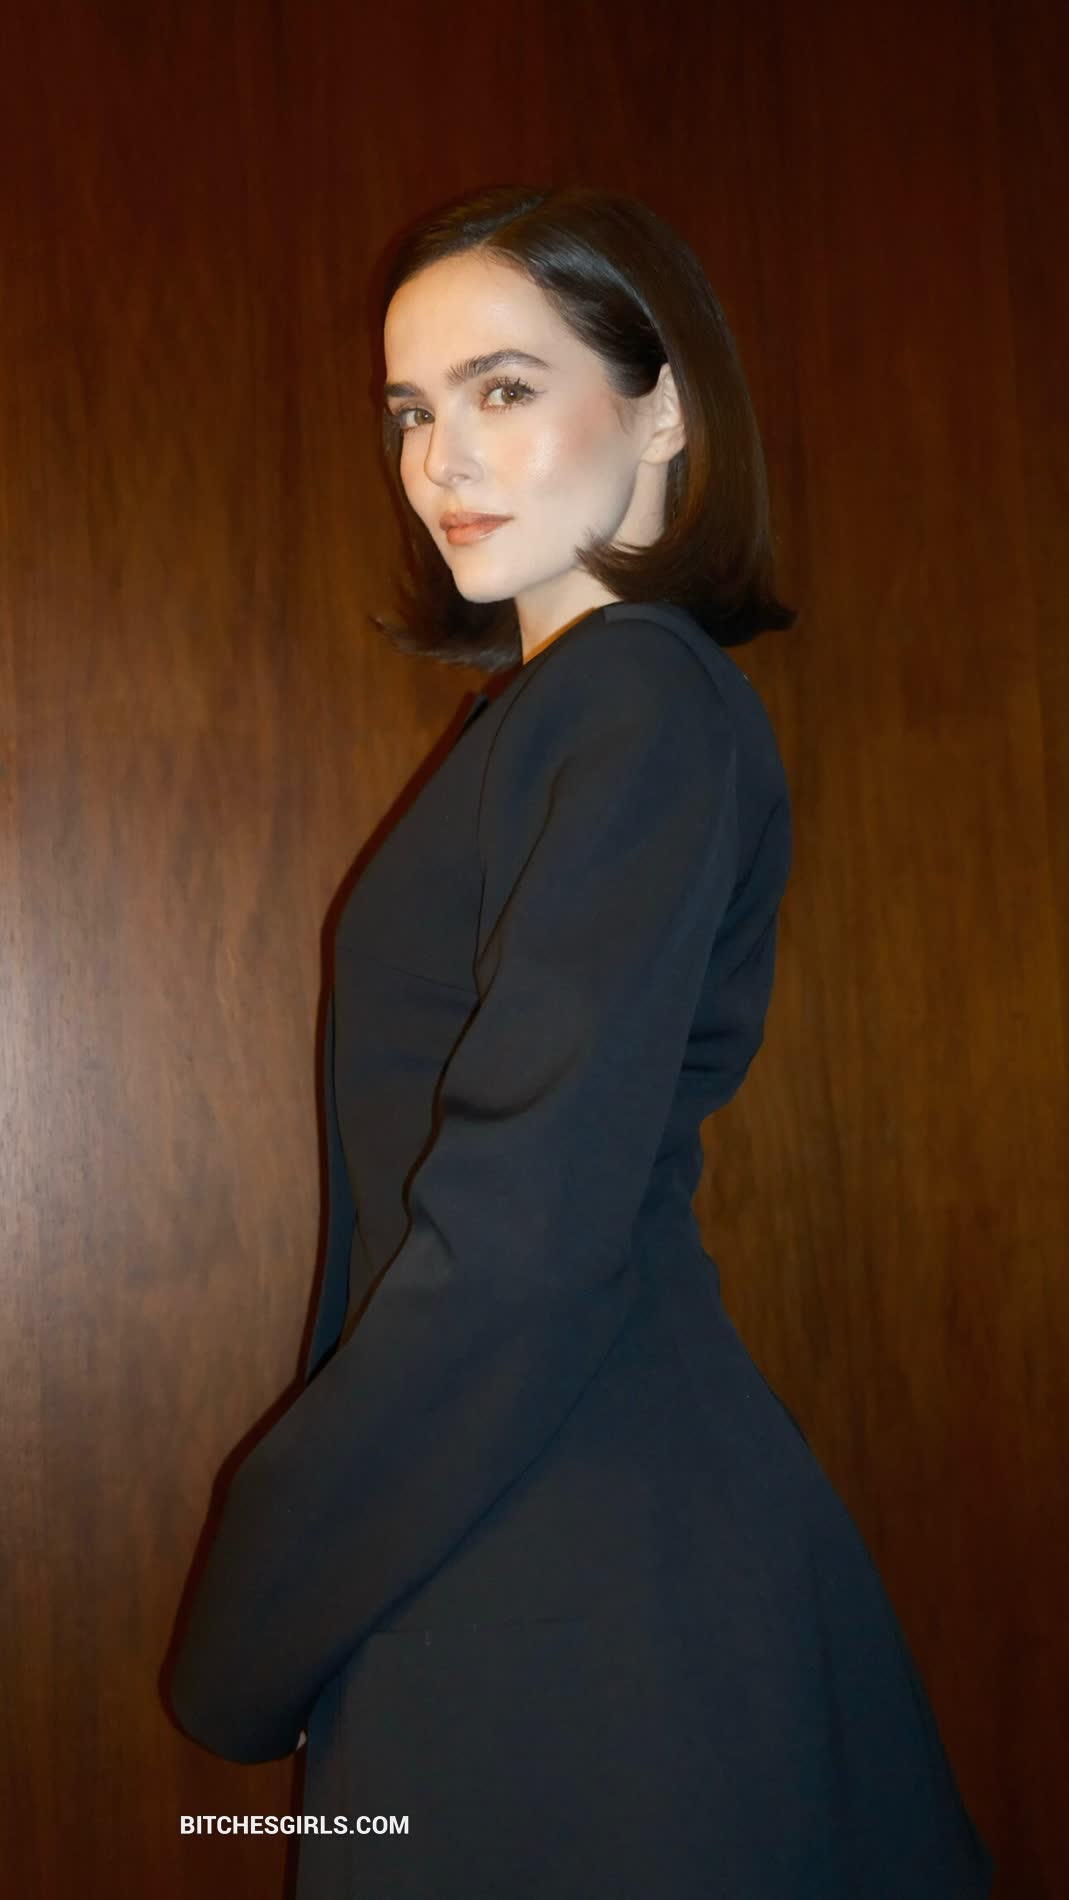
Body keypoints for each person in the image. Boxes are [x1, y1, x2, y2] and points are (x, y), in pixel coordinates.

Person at [166, 184, 996, 1898]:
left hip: (568, 1548)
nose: (439, 459)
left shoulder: (634, 698)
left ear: (663, 408)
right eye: (410, 410)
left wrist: (259, 1610)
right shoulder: (560, 715)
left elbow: (517, 1240)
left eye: (502, 388)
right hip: (515, 1516)